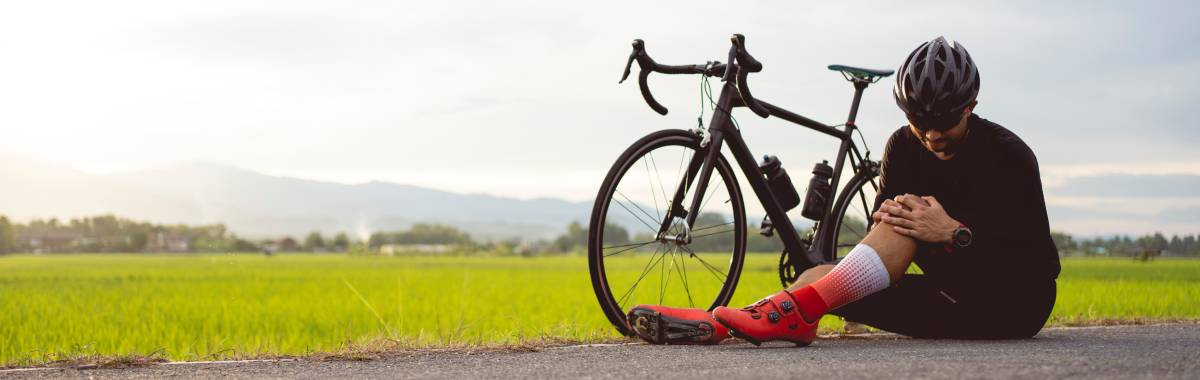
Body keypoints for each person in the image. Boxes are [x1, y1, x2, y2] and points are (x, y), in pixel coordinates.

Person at [626, 36, 1060, 346]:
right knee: (829, 278)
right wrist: (913, 225)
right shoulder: (902, 146)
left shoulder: (1009, 155)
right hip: (945, 299)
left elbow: (1041, 268)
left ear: (971, 106)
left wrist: (953, 232)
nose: (930, 134)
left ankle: (759, 318)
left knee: (903, 223)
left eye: (943, 121)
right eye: (918, 121)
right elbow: (884, 238)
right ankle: (722, 325)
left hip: (1009, 308)